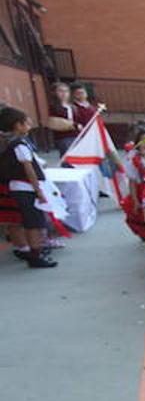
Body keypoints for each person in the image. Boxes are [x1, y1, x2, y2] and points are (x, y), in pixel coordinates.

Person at [0, 107, 57, 268]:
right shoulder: (19, 144)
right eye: (26, 122)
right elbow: (28, 168)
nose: (30, 125)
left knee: (20, 220)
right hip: (24, 187)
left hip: (14, 186)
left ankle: (27, 249)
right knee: (33, 222)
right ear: (18, 125)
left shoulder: (9, 142)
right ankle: (35, 254)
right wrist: (38, 190)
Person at [45, 82, 78, 154]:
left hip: (76, 135)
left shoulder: (73, 107)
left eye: (66, 91)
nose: (64, 93)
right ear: (54, 93)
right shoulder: (54, 107)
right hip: (64, 137)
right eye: (60, 91)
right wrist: (72, 125)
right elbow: (54, 122)